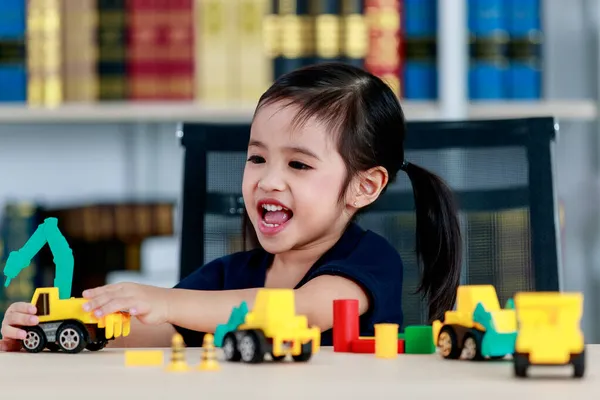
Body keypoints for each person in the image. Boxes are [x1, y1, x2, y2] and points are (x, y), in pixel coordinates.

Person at [0, 63, 462, 351]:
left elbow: (299, 311)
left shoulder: (368, 262)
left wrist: (167, 300)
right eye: (257, 157)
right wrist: (61, 330)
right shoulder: (227, 278)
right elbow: (163, 332)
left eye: (298, 164)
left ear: (363, 187)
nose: (268, 179)